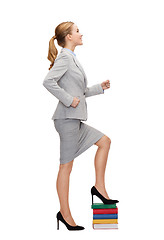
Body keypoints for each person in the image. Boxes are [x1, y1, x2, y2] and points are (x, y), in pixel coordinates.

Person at [43, 21, 119, 231]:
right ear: (68, 36)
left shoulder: (72, 59)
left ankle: (99, 188)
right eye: (77, 31)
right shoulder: (65, 58)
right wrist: (68, 99)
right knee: (66, 167)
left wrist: (98, 88)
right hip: (66, 119)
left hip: (74, 119)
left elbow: (80, 91)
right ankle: (65, 215)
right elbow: (48, 81)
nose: (81, 33)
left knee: (104, 141)